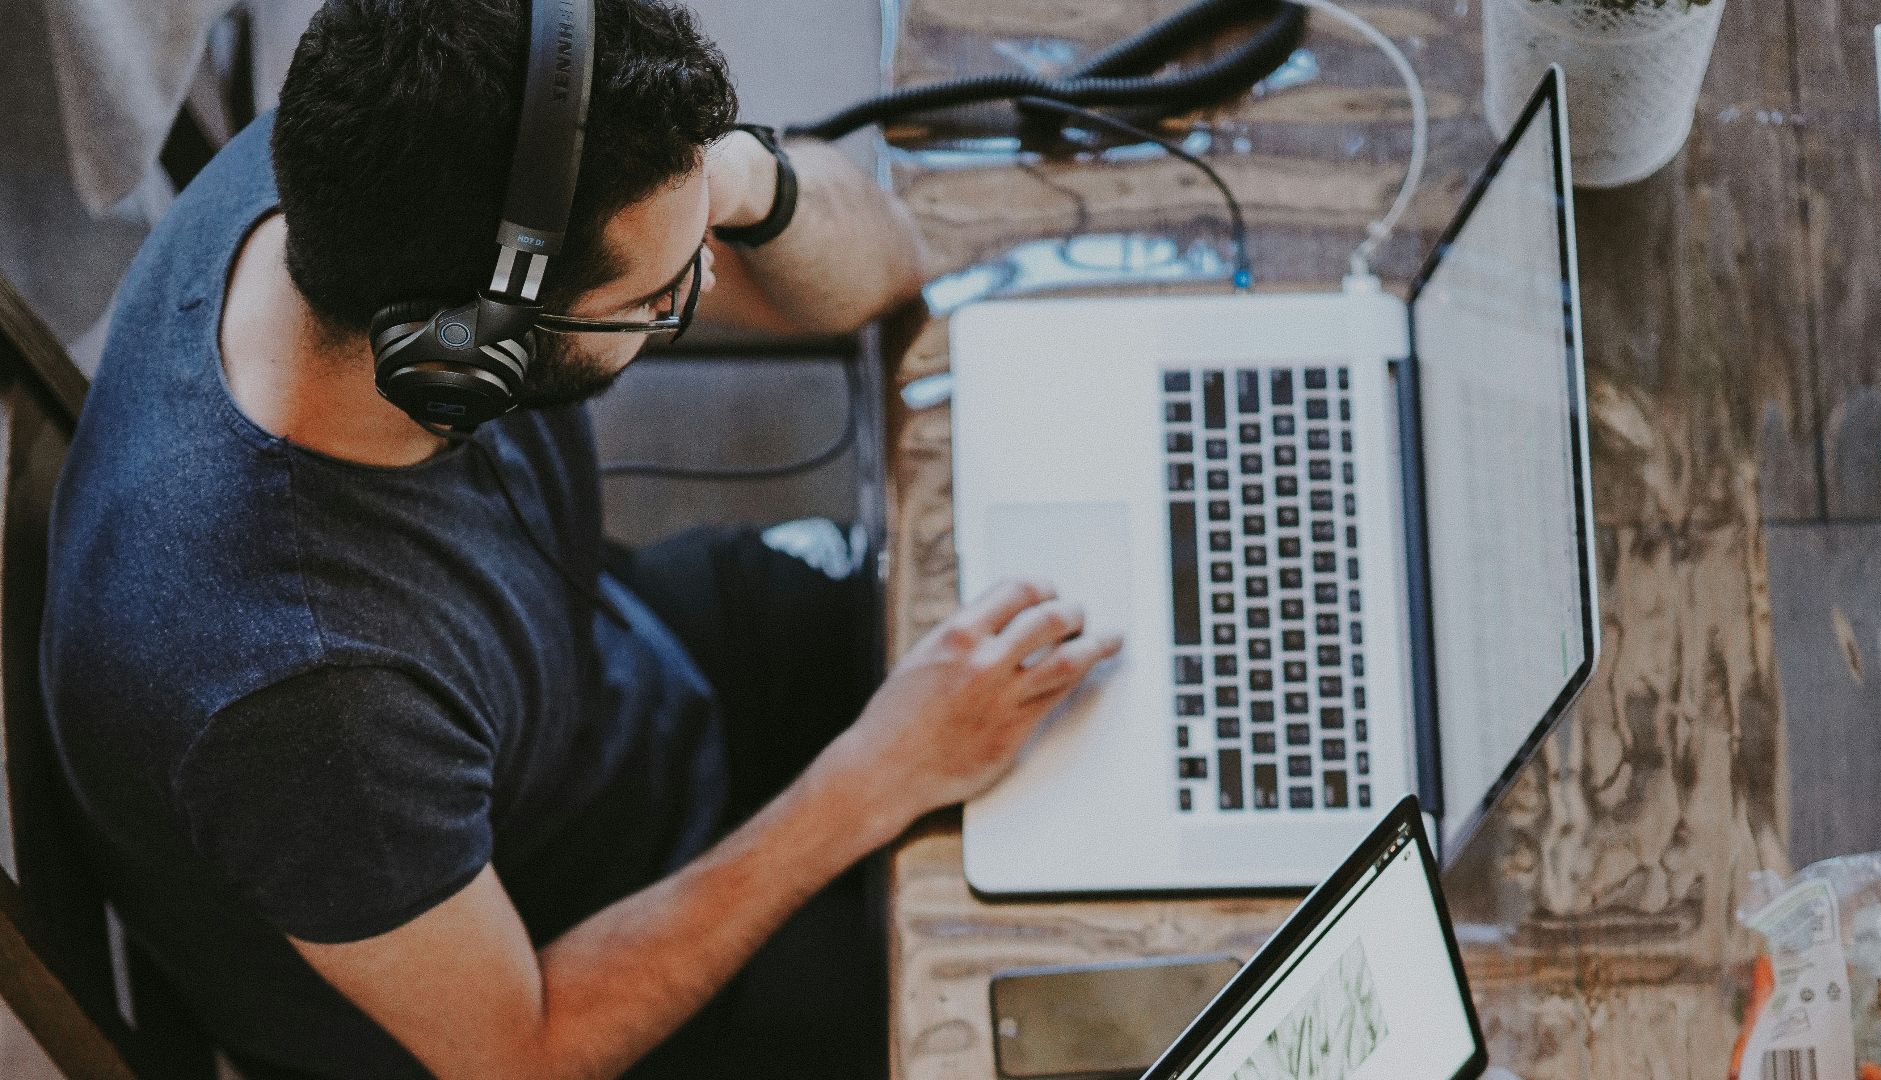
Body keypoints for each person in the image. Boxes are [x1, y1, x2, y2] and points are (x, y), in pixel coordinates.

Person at [38, 1, 1123, 1078]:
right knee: (1071, 1009)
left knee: (1091, 665)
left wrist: (727, 178)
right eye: (660, 296)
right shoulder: (305, 698)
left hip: (604, 685)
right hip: (559, 970)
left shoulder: (373, 155)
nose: (697, 287)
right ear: (470, 352)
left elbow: (880, 271)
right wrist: (875, 779)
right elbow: (526, 1049)